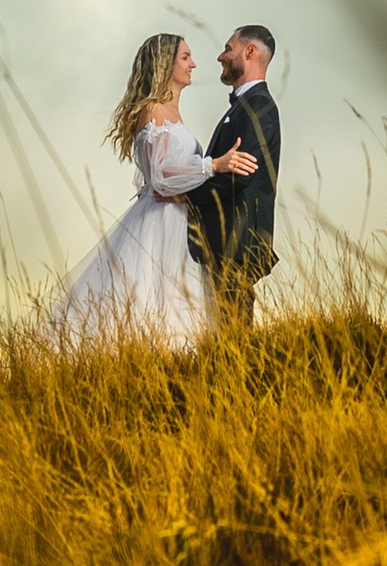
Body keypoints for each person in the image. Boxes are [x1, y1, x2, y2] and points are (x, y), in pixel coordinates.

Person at [51, 33, 259, 345]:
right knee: (154, 300)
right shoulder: (153, 110)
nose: (193, 64)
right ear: (165, 64)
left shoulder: (173, 114)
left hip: (181, 217)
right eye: (185, 58)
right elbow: (161, 175)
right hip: (161, 221)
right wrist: (213, 165)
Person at [187, 23, 282, 327]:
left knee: (234, 336)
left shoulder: (259, 107)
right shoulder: (244, 106)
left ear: (250, 51)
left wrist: (185, 196)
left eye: (228, 48)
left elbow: (239, 176)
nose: (220, 56)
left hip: (236, 242)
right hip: (226, 242)